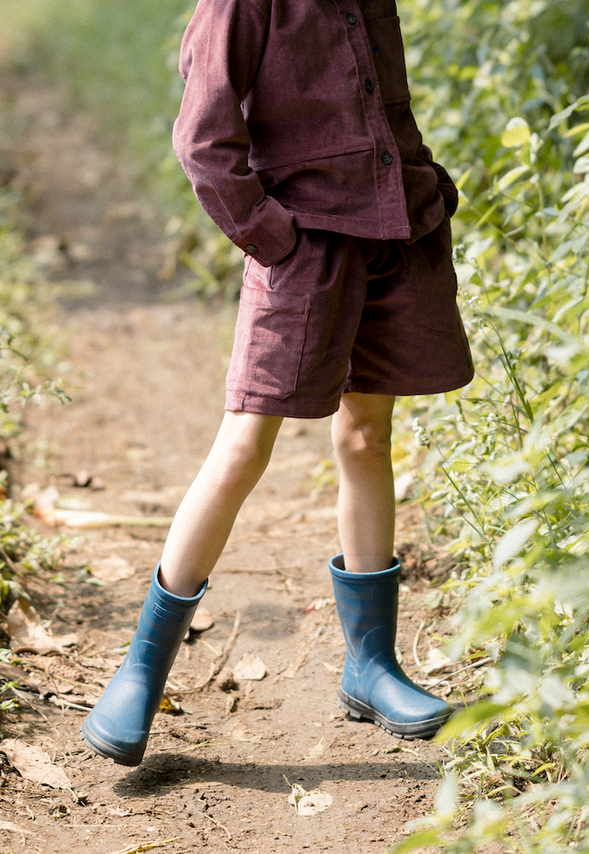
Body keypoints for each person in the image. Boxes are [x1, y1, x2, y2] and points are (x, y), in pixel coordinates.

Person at [80, 0, 474, 767]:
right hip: (301, 244)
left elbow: (382, 98)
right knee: (243, 446)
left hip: (394, 230)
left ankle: (372, 666)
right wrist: (271, 235)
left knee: (367, 434)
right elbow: (203, 139)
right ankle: (140, 671)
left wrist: (427, 184)